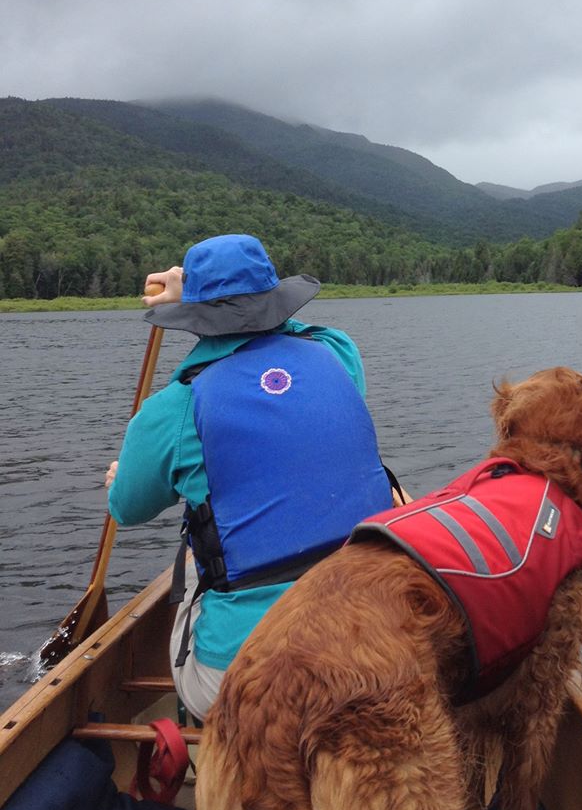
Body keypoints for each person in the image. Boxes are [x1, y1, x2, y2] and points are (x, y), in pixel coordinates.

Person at [105, 234, 395, 721]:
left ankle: (205, 729)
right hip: (371, 640)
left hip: (248, 682)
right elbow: (292, 336)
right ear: (275, 300)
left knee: (198, 553)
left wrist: (120, 478)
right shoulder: (337, 355)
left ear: (195, 319)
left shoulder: (171, 410)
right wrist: (234, 303)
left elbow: (126, 508)